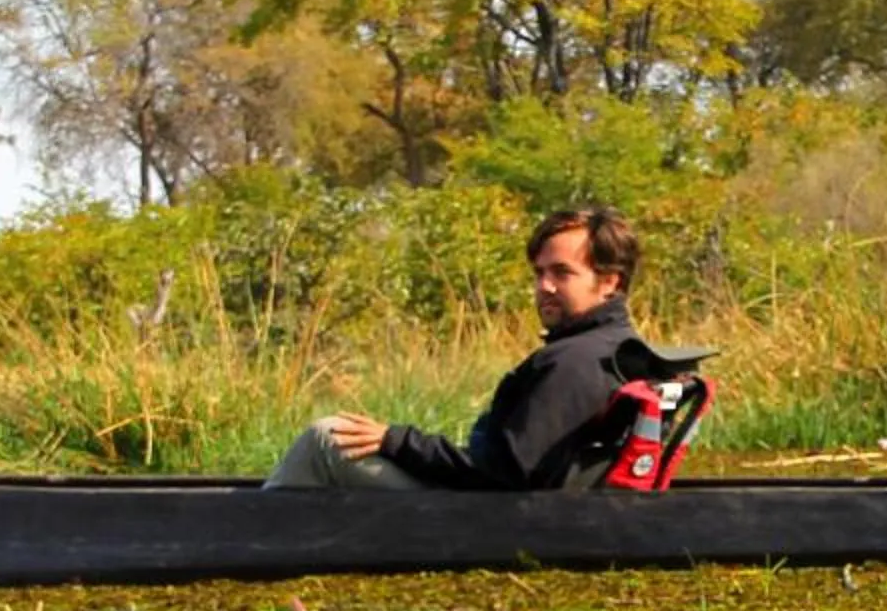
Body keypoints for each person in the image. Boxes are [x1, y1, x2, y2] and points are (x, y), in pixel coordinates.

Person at [264, 206, 652, 491]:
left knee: (327, 439)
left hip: (480, 519)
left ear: (609, 282)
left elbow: (504, 471)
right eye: (539, 273)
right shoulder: (618, 348)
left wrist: (395, 441)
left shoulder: (575, 363)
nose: (544, 287)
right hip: (500, 504)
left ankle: (252, 541)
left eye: (562, 273)